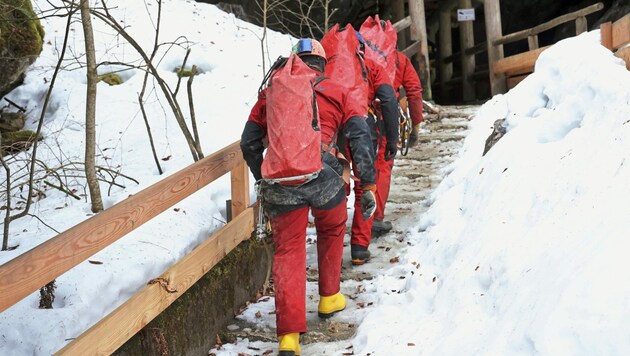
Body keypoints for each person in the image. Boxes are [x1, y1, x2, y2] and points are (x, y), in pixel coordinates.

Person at [240, 38, 376, 356]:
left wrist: (265, 177)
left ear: (293, 61)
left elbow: (248, 142)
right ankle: (329, 297)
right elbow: (360, 136)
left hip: (281, 181)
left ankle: (289, 338)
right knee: (331, 224)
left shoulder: (272, 90)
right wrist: (366, 184)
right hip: (323, 176)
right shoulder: (340, 90)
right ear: (322, 65)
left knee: (288, 252)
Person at [372, 50, 424, 234]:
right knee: (383, 165)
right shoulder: (399, 59)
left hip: (356, 113)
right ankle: (375, 218)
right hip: (385, 115)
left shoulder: (358, 54)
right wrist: (415, 126)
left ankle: (342, 223)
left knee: (359, 166)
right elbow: (414, 91)